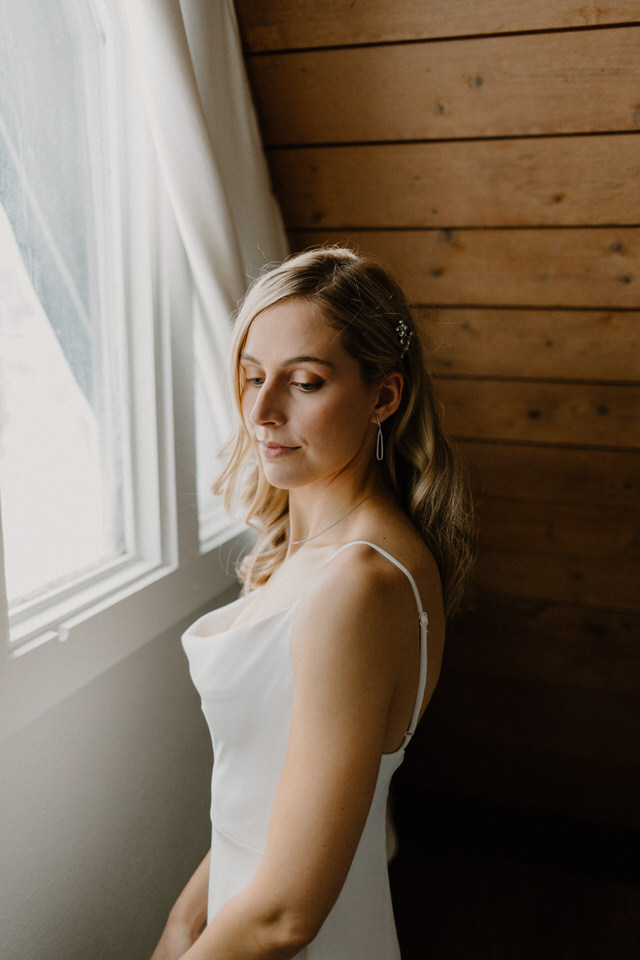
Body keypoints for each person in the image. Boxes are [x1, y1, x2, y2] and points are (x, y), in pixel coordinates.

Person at [150, 246, 475, 960]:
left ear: (383, 396)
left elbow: (287, 916)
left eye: (303, 382)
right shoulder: (304, 553)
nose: (262, 411)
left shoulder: (359, 586)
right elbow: (266, 798)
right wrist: (182, 921)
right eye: (252, 377)